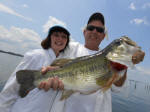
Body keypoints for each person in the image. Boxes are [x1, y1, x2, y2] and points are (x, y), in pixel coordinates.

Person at [39, 12, 145, 112]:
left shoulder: (111, 61)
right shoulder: (70, 48)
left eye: (99, 30)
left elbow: (118, 87)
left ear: (103, 36)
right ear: (84, 32)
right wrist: (46, 71)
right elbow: (50, 56)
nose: (94, 31)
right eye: (91, 28)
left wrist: (127, 61)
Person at [0, 25, 70, 112]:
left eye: (64, 37)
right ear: (49, 38)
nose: (60, 39)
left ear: (67, 42)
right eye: (56, 35)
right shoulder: (35, 56)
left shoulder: (64, 64)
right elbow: (11, 89)